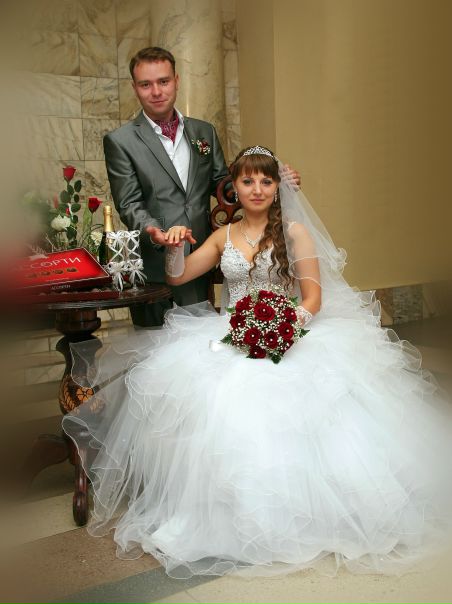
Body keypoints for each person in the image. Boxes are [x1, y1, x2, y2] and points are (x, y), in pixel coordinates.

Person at [63, 146, 452, 579]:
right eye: (248, 181)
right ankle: (220, 511)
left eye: (266, 181)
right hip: (231, 333)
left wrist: (279, 332)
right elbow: (178, 275)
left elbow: (313, 299)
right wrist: (173, 246)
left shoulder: (294, 232)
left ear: (277, 186)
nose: (257, 189)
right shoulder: (222, 236)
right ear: (234, 186)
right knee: (211, 402)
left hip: (289, 331)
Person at [103, 46, 299, 325]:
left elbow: (224, 186)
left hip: (200, 256)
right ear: (135, 88)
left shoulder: (203, 131)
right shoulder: (120, 141)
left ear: (176, 81)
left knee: (199, 340)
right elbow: (129, 203)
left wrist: (272, 182)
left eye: (163, 81)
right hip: (154, 267)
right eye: (146, 84)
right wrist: (155, 232)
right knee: (155, 345)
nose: (156, 91)